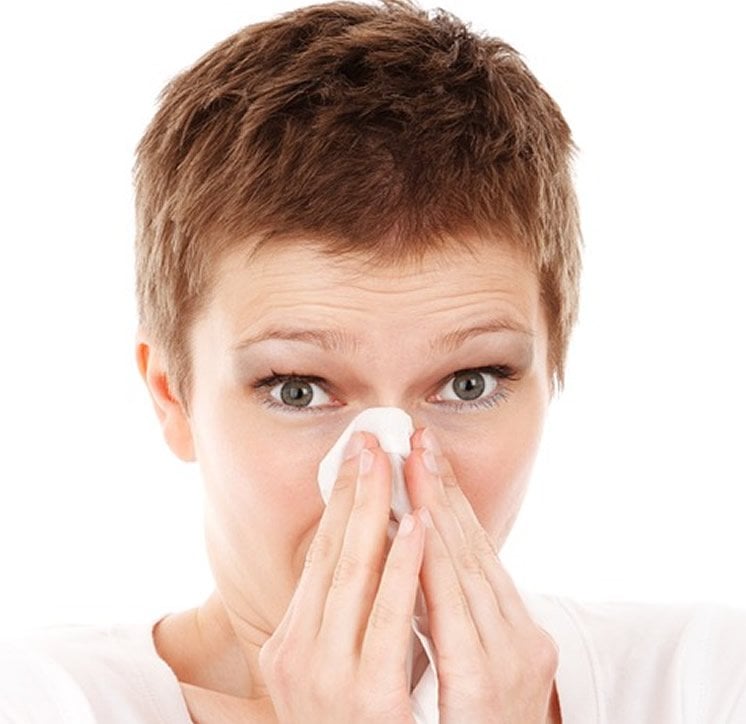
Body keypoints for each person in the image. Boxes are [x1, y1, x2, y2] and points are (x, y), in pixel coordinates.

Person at [1, 1, 745, 722]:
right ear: (172, 395)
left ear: (552, 373)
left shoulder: (705, 682)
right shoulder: (42, 703)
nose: (390, 475)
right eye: (297, 389)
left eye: (469, 383)